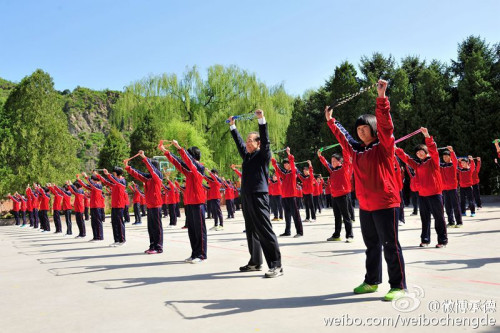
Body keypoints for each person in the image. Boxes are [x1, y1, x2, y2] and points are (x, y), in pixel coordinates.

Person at [325, 79, 406, 301]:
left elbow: (386, 125)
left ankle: (398, 286)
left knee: (390, 246)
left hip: (386, 203)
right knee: (371, 246)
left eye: (365, 128)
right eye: (358, 129)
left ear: (372, 129)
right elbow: (343, 138)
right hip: (366, 205)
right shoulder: (355, 151)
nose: (361, 132)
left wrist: (381, 98)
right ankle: (371, 281)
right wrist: (332, 121)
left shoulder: (384, 147)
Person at [228, 109, 283, 278]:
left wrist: (261, 120)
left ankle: (276, 265)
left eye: (250, 141)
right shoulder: (247, 157)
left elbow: (266, 141)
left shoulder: (263, 154)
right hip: (246, 196)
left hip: (259, 196)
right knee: (251, 230)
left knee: (265, 230)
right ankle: (255, 262)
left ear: (258, 143)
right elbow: (238, 144)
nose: (247, 143)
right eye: (247, 141)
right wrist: (233, 127)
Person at [396, 128, 448, 248]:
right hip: (423, 195)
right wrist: (396, 149)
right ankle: (425, 239)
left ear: (426, 151)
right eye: (417, 152)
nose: (419, 154)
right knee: (425, 219)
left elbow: (433, 150)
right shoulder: (418, 165)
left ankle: (442, 240)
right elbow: (407, 159)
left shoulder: (433, 161)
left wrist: (427, 136)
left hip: (435, 194)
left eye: (421, 151)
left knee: (439, 218)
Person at [159, 140, 207, 263]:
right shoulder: (188, 170)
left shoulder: (199, 167)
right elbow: (177, 162)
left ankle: (201, 255)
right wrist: (165, 151)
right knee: (192, 230)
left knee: (199, 230)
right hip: (189, 202)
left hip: (198, 202)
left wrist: (179, 148)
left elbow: (188, 162)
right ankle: (194, 253)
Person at [125, 151, 164, 254]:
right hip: (150, 205)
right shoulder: (148, 178)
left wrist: (145, 158)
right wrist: (128, 167)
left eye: (150, 166)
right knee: (151, 228)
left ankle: (159, 247)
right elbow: (138, 174)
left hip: (156, 205)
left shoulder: (158, 176)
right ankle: (152, 246)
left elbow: (152, 170)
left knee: (157, 227)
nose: (148, 169)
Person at [318, 148, 353, 242]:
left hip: (343, 195)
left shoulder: (344, 167)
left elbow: (346, 157)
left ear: (339, 161)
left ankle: (349, 235)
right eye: (331, 161)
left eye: (334, 161)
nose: (332, 163)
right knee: (337, 217)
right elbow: (325, 164)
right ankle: (336, 235)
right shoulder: (332, 170)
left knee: (346, 216)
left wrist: (343, 147)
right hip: (335, 196)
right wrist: (320, 156)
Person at [271, 148, 303, 238]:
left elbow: (292, 163)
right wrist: (273, 160)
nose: (285, 165)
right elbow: (277, 169)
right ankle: (287, 231)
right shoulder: (284, 175)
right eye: (284, 164)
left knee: (295, 215)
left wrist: (289, 153)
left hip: (292, 196)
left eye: (287, 163)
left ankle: (300, 232)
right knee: (287, 215)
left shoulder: (293, 172)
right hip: (284, 196)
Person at [96, 167, 127, 246]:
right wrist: (99, 176)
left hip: (119, 205)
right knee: (114, 223)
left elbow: (116, 181)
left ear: (116, 173)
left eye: (114, 173)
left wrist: (107, 174)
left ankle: (122, 240)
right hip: (114, 205)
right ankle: (116, 240)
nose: (113, 175)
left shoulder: (122, 181)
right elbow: (107, 182)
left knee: (120, 223)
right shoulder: (116, 182)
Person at [439, 147, 463, 228]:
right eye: (443, 157)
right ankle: (451, 222)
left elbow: (455, 160)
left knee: (455, 205)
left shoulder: (453, 165)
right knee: (447, 206)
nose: (444, 158)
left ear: (450, 157)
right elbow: (434, 161)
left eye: (446, 156)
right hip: (444, 189)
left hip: (453, 188)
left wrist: (452, 151)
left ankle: (459, 222)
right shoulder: (441, 166)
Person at [79, 173, 105, 240]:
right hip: (93, 206)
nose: (91, 181)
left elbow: (91, 184)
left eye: (92, 180)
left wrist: (86, 177)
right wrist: (79, 180)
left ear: (95, 180)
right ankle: (95, 236)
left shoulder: (98, 186)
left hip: (97, 206)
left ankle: (100, 237)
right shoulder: (93, 187)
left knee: (98, 222)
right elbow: (86, 186)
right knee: (93, 222)